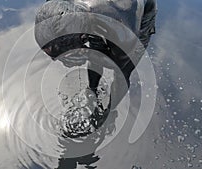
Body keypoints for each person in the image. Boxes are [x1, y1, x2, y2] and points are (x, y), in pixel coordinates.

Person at [34, 0, 157, 168]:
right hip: (93, 20)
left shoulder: (123, 31)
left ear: (82, 36)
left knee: (123, 65)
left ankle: (108, 111)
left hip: (135, 14)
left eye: (64, 57)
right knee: (96, 50)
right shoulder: (59, 9)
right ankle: (91, 89)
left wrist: (105, 113)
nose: (61, 63)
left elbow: (119, 72)